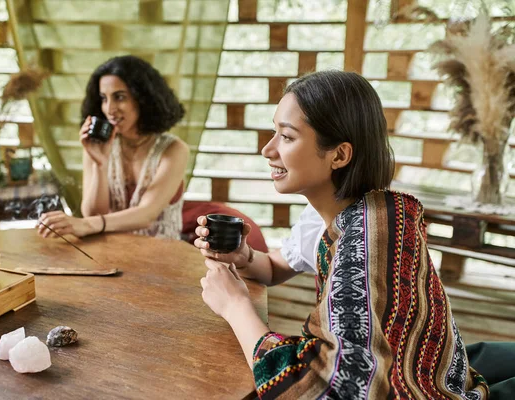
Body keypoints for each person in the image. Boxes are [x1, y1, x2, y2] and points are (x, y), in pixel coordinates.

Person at [193, 70, 489, 399]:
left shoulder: (370, 235)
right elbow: (275, 267)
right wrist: (244, 257)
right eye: (274, 132)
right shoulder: (329, 216)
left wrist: (235, 306)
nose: (267, 149)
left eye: (287, 137)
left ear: (339, 155)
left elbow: (332, 389)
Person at [38, 56, 189, 240]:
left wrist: (83, 224)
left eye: (119, 97)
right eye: (103, 98)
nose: (109, 109)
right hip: (112, 253)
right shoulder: (99, 144)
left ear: (143, 99)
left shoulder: (174, 150)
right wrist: (99, 165)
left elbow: (147, 215)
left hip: (162, 257)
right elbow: (92, 214)